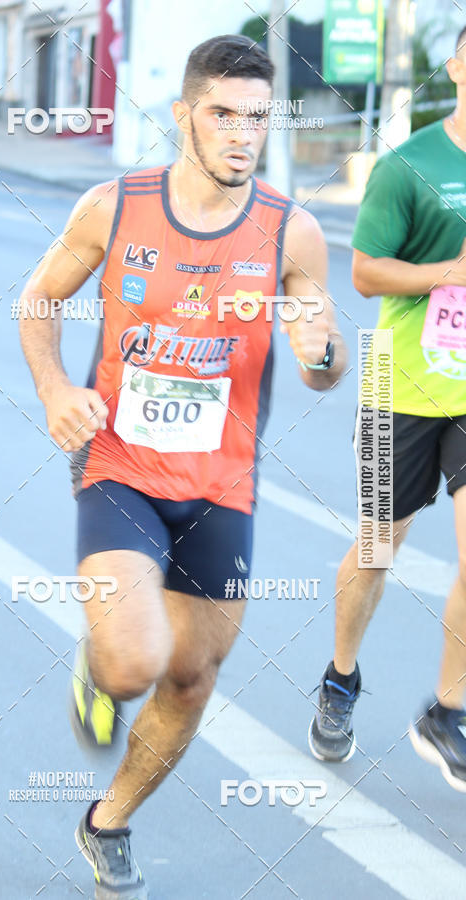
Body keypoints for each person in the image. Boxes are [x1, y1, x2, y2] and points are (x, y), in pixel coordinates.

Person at [20, 34, 346, 899]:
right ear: (183, 116)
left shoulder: (291, 229)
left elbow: (322, 359)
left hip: (221, 485)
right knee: (132, 663)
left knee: (191, 679)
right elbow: (38, 298)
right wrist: (56, 388)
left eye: (258, 119)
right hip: (119, 464)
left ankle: (108, 820)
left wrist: (323, 352)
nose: (243, 135)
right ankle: (104, 658)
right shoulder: (113, 207)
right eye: (224, 116)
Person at [309, 26, 466, 792]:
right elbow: (366, 273)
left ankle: (448, 710)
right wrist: (453, 273)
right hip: (399, 386)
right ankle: (340, 679)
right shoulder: (411, 166)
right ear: (456, 66)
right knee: (376, 548)